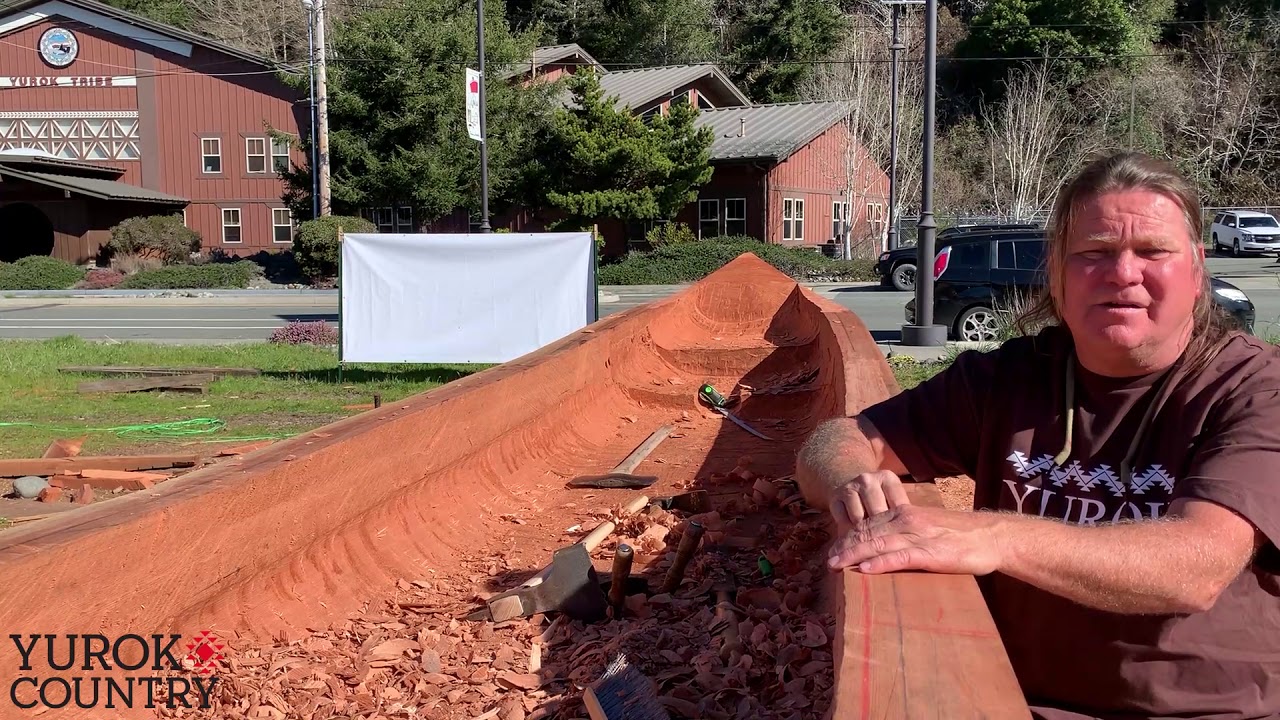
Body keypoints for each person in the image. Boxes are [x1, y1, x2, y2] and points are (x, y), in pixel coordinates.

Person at [795, 150, 1280, 720]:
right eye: (1094, 253)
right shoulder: (1010, 378)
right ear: (1055, 272)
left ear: (1197, 269)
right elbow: (835, 440)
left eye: (1153, 251)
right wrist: (850, 483)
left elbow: (1194, 567)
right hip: (1014, 702)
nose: (1123, 273)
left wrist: (992, 536)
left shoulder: (1255, 391)